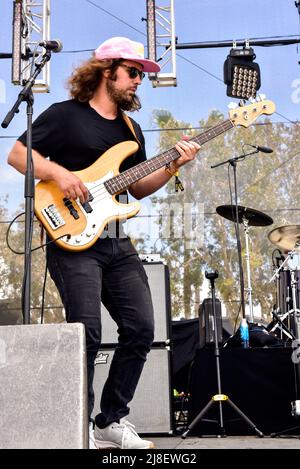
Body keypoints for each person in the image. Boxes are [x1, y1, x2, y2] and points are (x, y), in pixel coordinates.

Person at [7, 36, 200, 449]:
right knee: (87, 333)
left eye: (141, 76)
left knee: (141, 329)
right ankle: (77, 426)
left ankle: (109, 420)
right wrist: (60, 175)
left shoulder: (130, 130)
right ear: (106, 70)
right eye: (133, 73)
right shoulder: (64, 116)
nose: (138, 82)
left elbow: (140, 187)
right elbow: (19, 156)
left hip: (115, 241)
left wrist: (173, 165)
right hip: (72, 238)